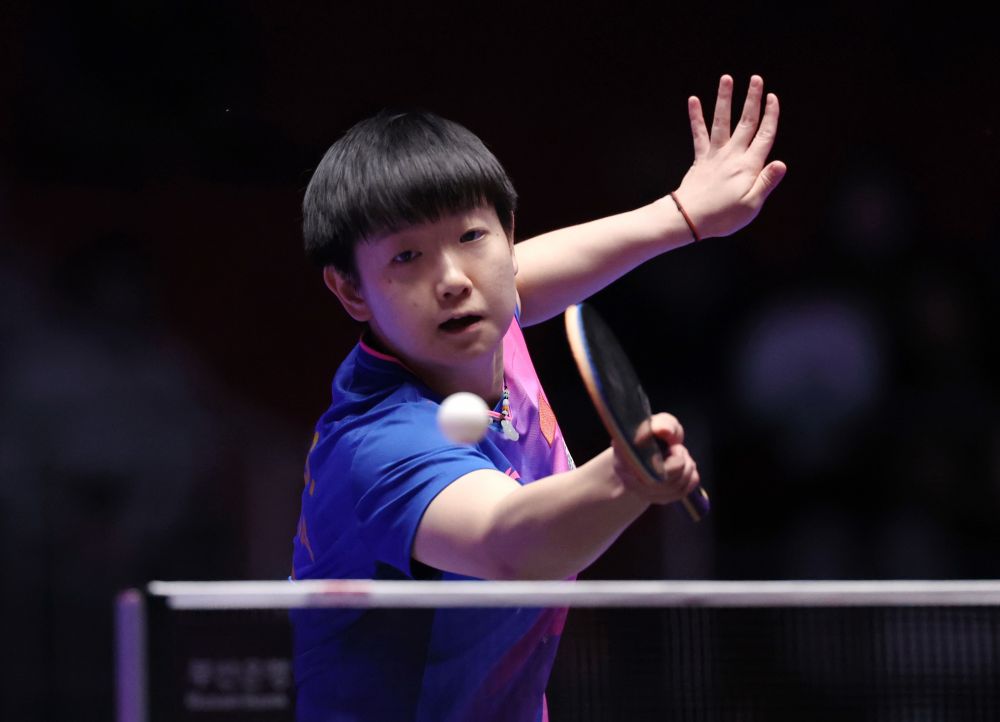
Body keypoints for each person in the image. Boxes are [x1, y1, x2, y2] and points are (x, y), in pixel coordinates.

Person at [291, 75, 785, 721]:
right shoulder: (375, 445)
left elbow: (526, 270)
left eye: (472, 237)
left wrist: (684, 214)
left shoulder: (479, 321)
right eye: (406, 257)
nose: (452, 280)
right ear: (351, 290)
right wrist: (625, 476)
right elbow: (507, 545)